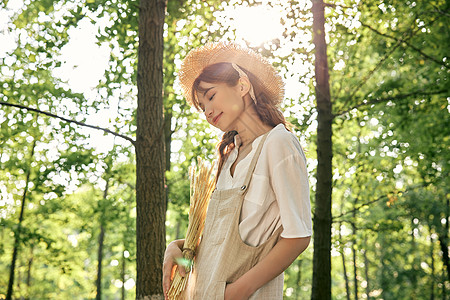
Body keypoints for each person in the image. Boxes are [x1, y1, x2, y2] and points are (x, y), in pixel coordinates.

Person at [163, 41, 312, 300]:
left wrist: (235, 293)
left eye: (211, 96)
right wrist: (175, 248)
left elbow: (298, 236)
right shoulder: (229, 157)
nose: (207, 112)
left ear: (242, 86)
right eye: (202, 106)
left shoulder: (278, 143)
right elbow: (219, 243)